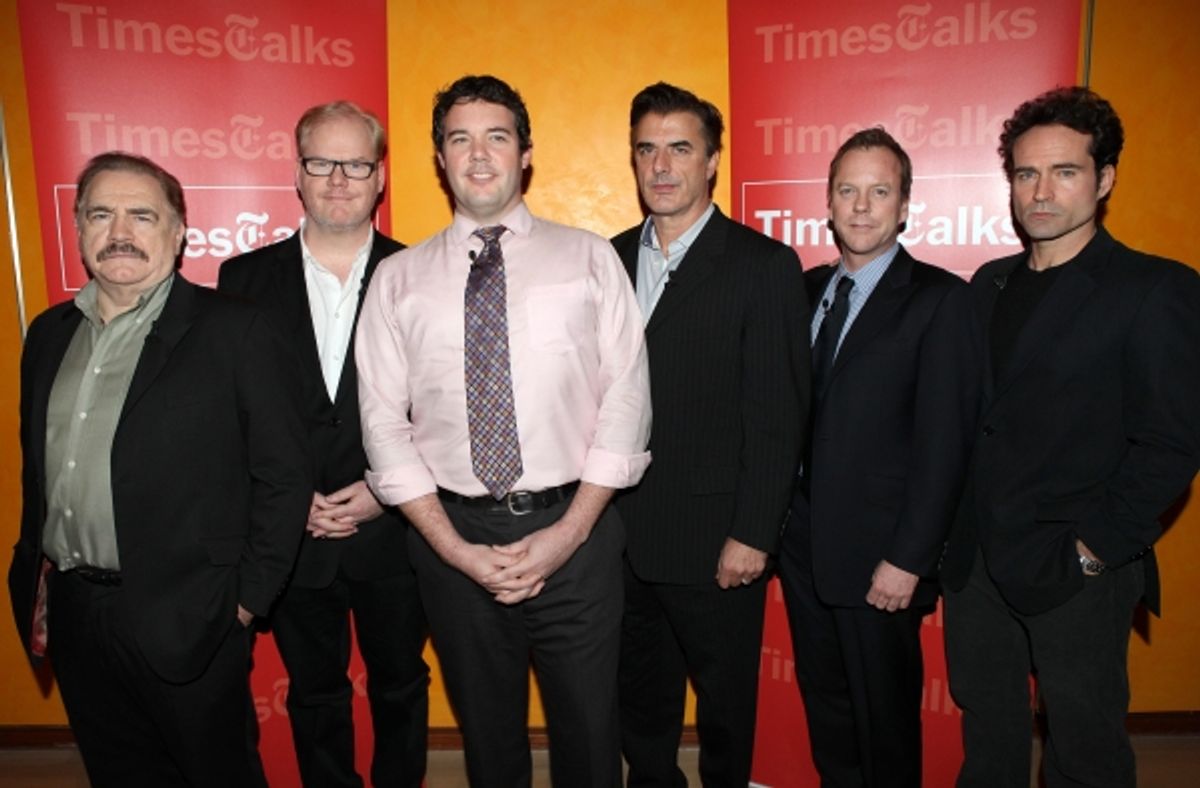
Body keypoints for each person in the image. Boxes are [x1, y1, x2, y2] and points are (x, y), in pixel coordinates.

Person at [355, 74, 651, 788]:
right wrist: (455, 549)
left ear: (525, 154)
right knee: (488, 746)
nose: (479, 155)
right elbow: (382, 425)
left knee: (589, 738)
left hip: (575, 533)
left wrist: (567, 534)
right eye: (460, 138)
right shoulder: (397, 280)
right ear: (439, 158)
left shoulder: (589, 259)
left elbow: (628, 401)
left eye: (497, 136)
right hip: (451, 543)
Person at [7, 151, 312, 787]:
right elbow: (37, 477)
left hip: (192, 614)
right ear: (79, 229)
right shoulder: (47, 335)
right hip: (75, 610)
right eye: (101, 214)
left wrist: (246, 603)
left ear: (179, 234)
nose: (119, 231)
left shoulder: (236, 330)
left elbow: (285, 477)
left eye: (142, 215)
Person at [941, 86, 1200, 787]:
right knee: (987, 736)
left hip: (1076, 568)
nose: (1041, 191)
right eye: (1026, 174)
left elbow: (1173, 443)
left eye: (1065, 171)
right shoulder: (986, 286)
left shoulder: (1155, 289)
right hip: (976, 566)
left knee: (1085, 748)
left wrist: (1093, 552)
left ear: (1105, 177)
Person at [219, 101, 429, 787]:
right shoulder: (242, 284)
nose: (339, 178)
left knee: (401, 684)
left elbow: (444, 408)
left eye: (356, 164)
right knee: (315, 693)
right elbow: (232, 414)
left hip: (396, 527)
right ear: (298, 174)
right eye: (321, 162)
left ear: (380, 177)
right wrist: (285, 498)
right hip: (294, 530)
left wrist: (383, 488)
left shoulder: (423, 274)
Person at [610, 81, 808, 787]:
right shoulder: (602, 260)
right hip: (616, 536)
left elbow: (779, 415)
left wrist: (754, 532)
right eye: (648, 149)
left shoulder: (763, 266)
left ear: (713, 161)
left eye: (681, 148)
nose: (662, 166)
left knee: (725, 709)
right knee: (639, 701)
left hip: (716, 541)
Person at [778, 128, 976, 787]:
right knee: (828, 710)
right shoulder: (804, 292)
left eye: (880, 191)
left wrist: (909, 560)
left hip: (881, 557)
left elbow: (946, 447)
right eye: (848, 191)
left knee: (885, 722)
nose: (862, 207)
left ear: (905, 206)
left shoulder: (940, 300)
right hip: (801, 546)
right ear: (827, 204)